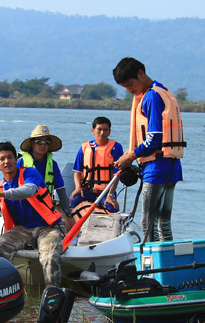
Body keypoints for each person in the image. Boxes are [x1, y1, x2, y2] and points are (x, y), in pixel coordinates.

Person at [0, 141, 64, 287]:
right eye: (2, 159)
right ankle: (6, 288)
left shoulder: (30, 173)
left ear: (16, 159)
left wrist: (0, 194)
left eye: (10, 157)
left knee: (50, 255)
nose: (7, 161)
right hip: (23, 229)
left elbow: (28, 190)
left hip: (48, 227)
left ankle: (53, 294)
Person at [112, 58, 186, 242]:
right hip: (171, 166)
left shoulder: (152, 96)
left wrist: (131, 156)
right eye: (126, 87)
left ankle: (150, 267)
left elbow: (154, 138)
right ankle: (166, 266)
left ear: (141, 73)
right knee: (164, 223)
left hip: (156, 167)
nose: (130, 90)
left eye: (130, 84)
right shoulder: (163, 91)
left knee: (148, 222)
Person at [70, 116, 124, 220]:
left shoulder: (116, 147)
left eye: (105, 130)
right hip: (86, 190)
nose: (102, 132)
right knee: (72, 203)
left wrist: (111, 194)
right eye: (99, 129)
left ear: (109, 132)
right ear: (93, 131)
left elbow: (116, 175)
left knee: (112, 208)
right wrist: (78, 188)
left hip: (106, 192)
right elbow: (77, 172)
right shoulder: (84, 148)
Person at [17, 125, 72, 225]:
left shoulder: (52, 164)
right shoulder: (21, 162)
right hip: (25, 204)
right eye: (39, 142)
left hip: (46, 204)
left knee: (66, 223)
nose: (43, 146)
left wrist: (67, 210)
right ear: (32, 144)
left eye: (46, 143)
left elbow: (60, 188)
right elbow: (10, 183)